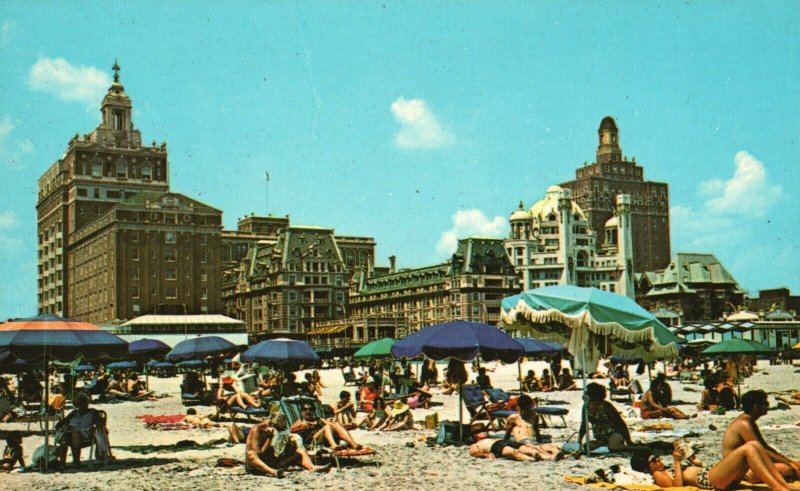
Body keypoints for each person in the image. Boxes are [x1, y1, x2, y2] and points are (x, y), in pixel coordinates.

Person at [631, 441, 793, 491]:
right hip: (709, 479)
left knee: (754, 446)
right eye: (653, 460)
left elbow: (699, 465)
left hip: (710, 473)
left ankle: (781, 484)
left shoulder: (666, 469)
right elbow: (677, 487)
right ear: (648, 467)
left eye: (656, 457)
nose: (658, 460)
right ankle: (778, 487)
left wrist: (689, 455)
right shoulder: (658, 475)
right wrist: (677, 461)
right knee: (748, 448)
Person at [722, 390, 800, 482]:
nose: (768, 406)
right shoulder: (744, 424)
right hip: (738, 470)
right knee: (787, 469)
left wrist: (789, 462)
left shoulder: (747, 421)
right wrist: (790, 463)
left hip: (744, 466)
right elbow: (763, 450)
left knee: (793, 465)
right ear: (755, 407)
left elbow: (764, 448)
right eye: (765, 403)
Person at [245, 412, 329, 477]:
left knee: (299, 450)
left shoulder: (276, 430)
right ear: (271, 424)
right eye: (279, 429)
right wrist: (269, 438)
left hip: (273, 461)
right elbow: (259, 453)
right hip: (257, 464)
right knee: (251, 453)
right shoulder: (257, 430)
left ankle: (312, 467)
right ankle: (273, 472)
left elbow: (277, 449)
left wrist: (288, 442)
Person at [579, 383, 650, 452]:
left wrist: (629, 441)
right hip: (601, 438)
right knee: (587, 446)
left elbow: (620, 423)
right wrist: (579, 441)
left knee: (614, 447)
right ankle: (607, 445)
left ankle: (637, 448)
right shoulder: (586, 407)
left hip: (614, 433)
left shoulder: (606, 406)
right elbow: (584, 424)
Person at [504, 394, 563, 460]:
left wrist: (540, 442)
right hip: (522, 442)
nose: (526, 411)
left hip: (534, 440)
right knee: (533, 447)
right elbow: (507, 434)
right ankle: (550, 457)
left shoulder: (534, 416)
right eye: (524, 408)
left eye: (528, 408)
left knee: (550, 446)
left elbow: (537, 431)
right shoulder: (513, 418)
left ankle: (558, 453)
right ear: (519, 407)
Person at [55, 391, 104, 470]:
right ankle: (62, 463)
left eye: (84, 402)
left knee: (75, 434)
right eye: (80, 403)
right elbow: (63, 422)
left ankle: (76, 461)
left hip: (87, 436)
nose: (82, 405)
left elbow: (100, 425)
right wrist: (60, 425)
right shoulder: (74, 413)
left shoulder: (93, 412)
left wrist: (95, 429)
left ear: (87, 403)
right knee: (64, 438)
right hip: (72, 435)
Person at [290, 401, 363, 450]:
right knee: (327, 427)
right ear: (302, 412)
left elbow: (333, 426)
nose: (308, 411)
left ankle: (353, 444)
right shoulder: (300, 422)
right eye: (305, 409)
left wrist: (348, 426)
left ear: (314, 411)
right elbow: (289, 431)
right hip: (312, 441)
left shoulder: (320, 419)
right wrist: (302, 427)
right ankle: (333, 445)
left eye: (310, 409)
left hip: (324, 440)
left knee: (336, 424)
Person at [468, 437, 540, 461]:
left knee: (524, 448)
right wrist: (486, 455)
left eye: (483, 431)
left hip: (502, 441)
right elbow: (473, 453)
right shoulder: (475, 444)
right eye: (480, 432)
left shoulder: (488, 438)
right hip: (494, 446)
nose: (483, 433)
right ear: (475, 435)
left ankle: (537, 454)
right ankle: (532, 459)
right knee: (514, 452)